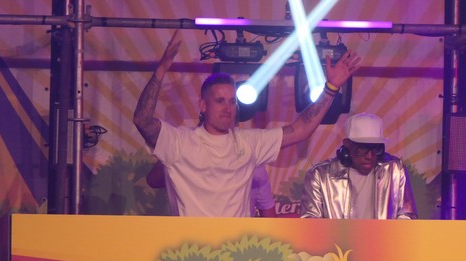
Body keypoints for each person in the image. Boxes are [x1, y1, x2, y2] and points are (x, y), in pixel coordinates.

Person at [134, 30, 360, 217]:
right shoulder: (180, 142)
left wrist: (330, 88)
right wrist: (160, 71)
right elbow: (142, 120)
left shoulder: (248, 142)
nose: (228, 107)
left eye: (232, 101)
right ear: (203, 105)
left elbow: (300, 130)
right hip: (192, 250)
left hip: (235, 251)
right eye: (220, 101)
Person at [299, 113, 417, 219]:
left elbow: (407, 216)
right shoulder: (320, 175)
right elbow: (310, 223)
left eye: (376, 149)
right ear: (347, 144)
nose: (369, 156)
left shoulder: (395, 169)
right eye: (362, 149)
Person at [146, 160, 277, 217]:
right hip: (190, 236)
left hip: (238, 240)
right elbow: (153, 180)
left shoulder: (254, 164)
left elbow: (268, 214)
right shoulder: (184, 151)